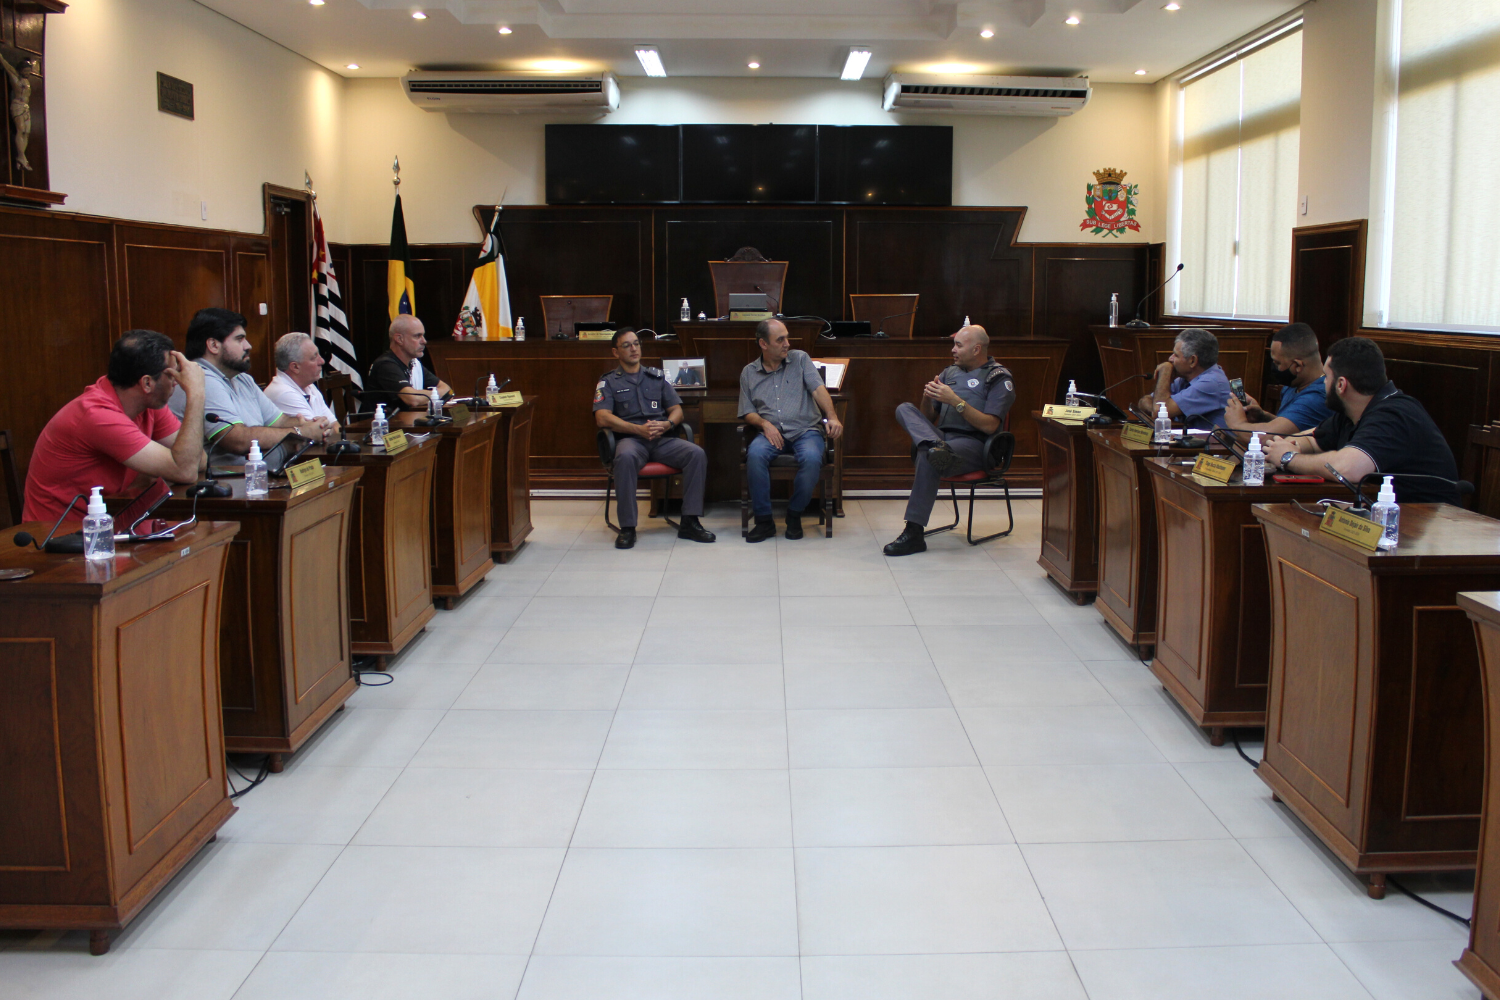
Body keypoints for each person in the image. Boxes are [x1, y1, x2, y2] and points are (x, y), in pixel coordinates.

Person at [23, 330, 206, 522]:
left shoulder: (148, 404)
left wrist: (167, 470)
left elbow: (198, 461)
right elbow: (185, 470)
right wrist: (196, 394)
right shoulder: (98, 415)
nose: (177, 382)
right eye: (171, 375)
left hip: (113, 520)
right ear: (147, 383)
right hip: (62, 532)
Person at [1264, 337, 1459, 504]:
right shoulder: (1351, 413)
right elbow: (1312, 440)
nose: (1323, 382)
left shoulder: (1394, 415)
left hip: (1426, 522)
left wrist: (1289, 458)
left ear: (1341, 385)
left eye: (1326, 377)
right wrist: (1289, 445)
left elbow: (1347, 469)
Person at [883, 324, 1015, 556]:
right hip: (943, 439)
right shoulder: (949, 373)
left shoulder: (998, 377)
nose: (953, 350)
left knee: (928, 454)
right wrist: (927, 397)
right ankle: (936, 448)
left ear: (976, 349)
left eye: (958, 345)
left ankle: (914, 532)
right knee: (904, 409)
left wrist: (955, 401)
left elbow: (990, 425)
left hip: (976, 445)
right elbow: (926, 419)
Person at [593, 329, 716, 549]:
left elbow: (677, 410)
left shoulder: (656, 377)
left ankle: (690, 521)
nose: (634, 349)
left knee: (696, 453)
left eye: (636, 344)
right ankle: (628, 528)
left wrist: (667, 424)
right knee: (625, 458)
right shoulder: (608, 381)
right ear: (615, 352)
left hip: (661, 440)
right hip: (630, 440)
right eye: (627, 345)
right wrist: (636, 429)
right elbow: (602, 417)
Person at [169, 307, 338, 462]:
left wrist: (309, 425)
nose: (248, 346)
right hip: (228, 481)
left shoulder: (242, 379)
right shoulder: (202, 379)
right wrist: (302, 432)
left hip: (261, 476)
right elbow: (236, 440)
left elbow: (279, 421)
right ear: (214, 345)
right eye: (239, 339)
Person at [738, 318, 844, 542]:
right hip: (770, 433)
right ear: (763, 344)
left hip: (806, 430)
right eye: (780, 340)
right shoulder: (749, 372)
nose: (787, 343)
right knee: (754, 456)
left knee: (813, 458)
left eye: (787, 337)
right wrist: (765, 424)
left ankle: (794, 515)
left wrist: (832, 416)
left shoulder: (800, 359)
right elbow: (747, 411)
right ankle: (764, 521)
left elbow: (818, 389)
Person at [1225, 322, 1332, 436]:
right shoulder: (1293, 385)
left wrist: (1237, 424)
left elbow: (1268, 437)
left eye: (1277, 363)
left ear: (1298, 366)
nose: (1274, 367)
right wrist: (1263, 416)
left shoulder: (1317, 397)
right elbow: (1291, 427)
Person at [1136, 327, 1231, 430]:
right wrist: (1155, 409)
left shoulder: (1211, 383)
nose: (1170, 359)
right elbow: (1143, 402)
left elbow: (1158, 411)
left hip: (1208, 440)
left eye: (1176, 355)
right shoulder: (1185, 378)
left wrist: (1165, 371)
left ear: (1192, 361)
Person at [368, 315, 452, 410]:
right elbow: (412, 399)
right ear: (399, 339)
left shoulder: (414, 364)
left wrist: (425, 395)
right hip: (383, 419)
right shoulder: (386, 365)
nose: (424, 341)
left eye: (423, 336)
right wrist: (435, 395)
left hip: (407, 418)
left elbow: (446, 389)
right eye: (417, 336)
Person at [264, 332, 339, 423]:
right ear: (295, 367)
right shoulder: (284, 393)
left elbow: (335, 425)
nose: (322, 361)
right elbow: (315, 430)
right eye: (314, 357)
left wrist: (329, 426)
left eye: (319, 354)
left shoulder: (309, 386)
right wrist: (328, 427)